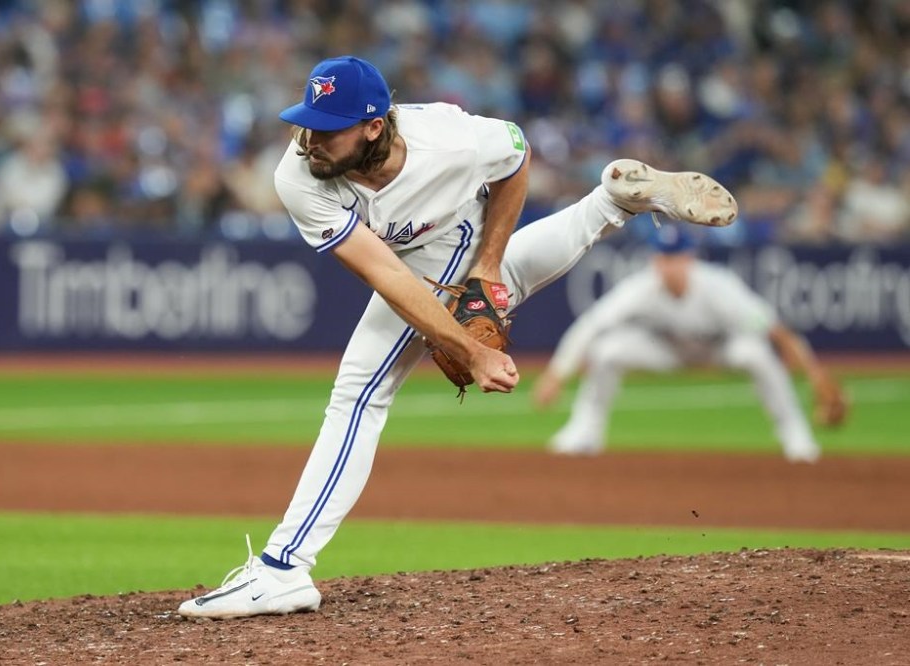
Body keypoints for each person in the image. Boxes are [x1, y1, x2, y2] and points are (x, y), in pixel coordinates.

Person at [177, 55, 738, 619]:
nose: (310, 140)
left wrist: (486, 268)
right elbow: (387, 274)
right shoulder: (298, 175)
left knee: (360, 395)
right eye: (308, 122)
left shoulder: (451, 140)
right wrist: (466, 342)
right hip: (405, 257)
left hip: (458, 224)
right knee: (392, 362)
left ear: (375, 127)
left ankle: (283, 568)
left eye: (329, 128)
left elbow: (515, 157)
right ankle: (611, 202)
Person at [531, 224, 846, 463]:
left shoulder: (717, 285)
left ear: (689, 258)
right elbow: (592, 323)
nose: (668, 265)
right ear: (655, 260)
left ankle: (795, 434)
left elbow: (775, 330)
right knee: (608, 350)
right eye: (663, 257)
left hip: (718, 348)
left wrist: (815, 373)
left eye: (675, 257)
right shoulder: (643, 287)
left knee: (756, 354)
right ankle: (586, 430)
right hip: (668, 350)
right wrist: (557, 373)